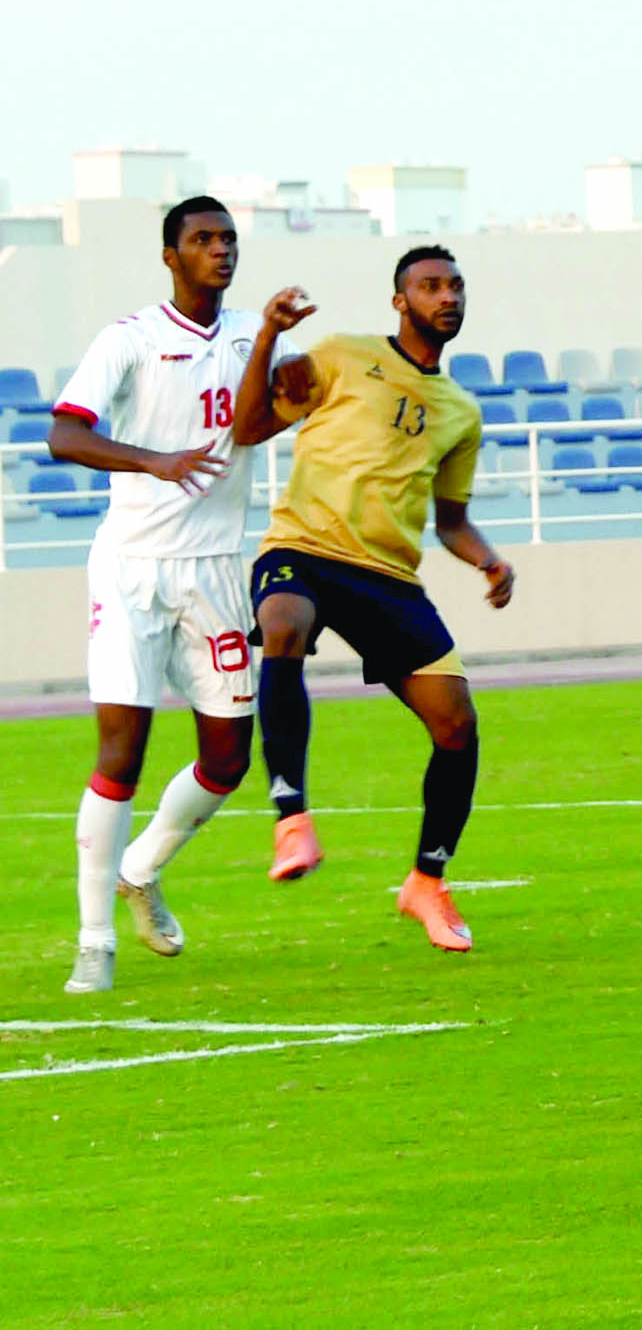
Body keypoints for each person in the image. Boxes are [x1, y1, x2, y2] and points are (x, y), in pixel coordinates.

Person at [229, 246, 514, 954]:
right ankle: (292, 818)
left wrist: (488, 560)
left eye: (455, 286)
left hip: (387, 577)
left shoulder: (461, 412)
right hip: (303, 547)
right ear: (400, 300)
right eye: (430, 285)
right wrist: (267, 336)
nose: (447, 296)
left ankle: (427, 882)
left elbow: (451, 520)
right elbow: (249, 426)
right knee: (283, 623)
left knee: (457, 724)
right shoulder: (340, 355)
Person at [48, 197, 276, 994]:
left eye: (228, 238)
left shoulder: (253, 335)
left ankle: (139, 869)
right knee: (122, 752)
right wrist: (155, 460)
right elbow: (64, 433)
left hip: (215, 569)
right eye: (202, 239)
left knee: (228, 758)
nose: (220, 249)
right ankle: (94, 943)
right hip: (132, 569)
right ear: (171, 256)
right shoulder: (130, 338)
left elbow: (269, 416)